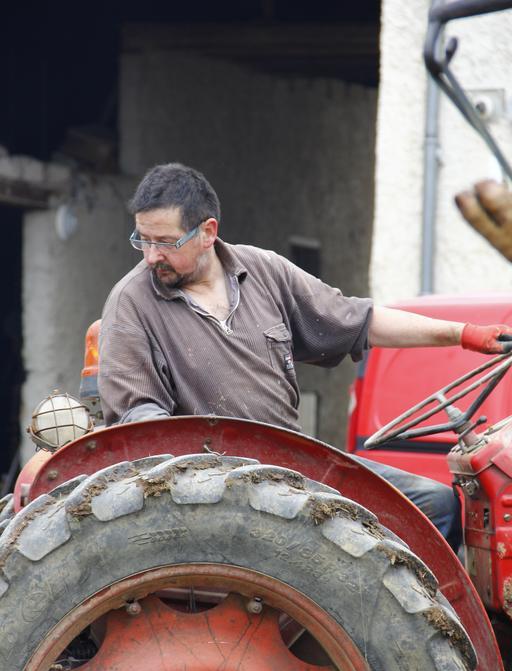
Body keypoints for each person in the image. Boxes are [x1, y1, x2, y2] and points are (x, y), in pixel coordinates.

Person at [98, 162, 512, 552]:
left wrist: (463, 334)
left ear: (208, 232)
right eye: (143, 240)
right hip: (216, 487)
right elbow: (139, 424)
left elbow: (357, 320)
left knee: (434, 503)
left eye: (165, 242)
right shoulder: (131, 302)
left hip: (295, 465)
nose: (151, 256)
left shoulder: (264, 271)